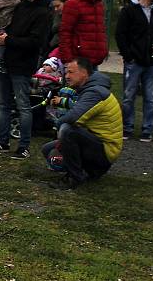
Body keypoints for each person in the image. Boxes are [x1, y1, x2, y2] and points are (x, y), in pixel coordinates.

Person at [0, 0, 51, 159]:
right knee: (3, 104)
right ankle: (2, 142)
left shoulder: (43, 12)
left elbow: (36, 42)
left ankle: (24, 146)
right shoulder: (18, 5)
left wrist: (9, 40)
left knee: (23, 105)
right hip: (4, 60)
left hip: (22, 64)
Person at [49, 58, 123, 190]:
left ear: (84, 73)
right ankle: (88, 171)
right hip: (95, 141)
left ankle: (74, 177)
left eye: (71, 72)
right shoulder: (90, 88)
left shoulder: (95, 93)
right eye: (66, 73)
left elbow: (72, 118)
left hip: (105, 151)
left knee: (67, 130)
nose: (67, 76)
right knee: (47, 151)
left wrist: (59, 131)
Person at [115, 0, 153, 143]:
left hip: (151, 61)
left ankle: (147, 129)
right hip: (134, 61)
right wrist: (128, 56)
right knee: (129, 95)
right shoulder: (129, 10)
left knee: (150, 96)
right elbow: (120, 34)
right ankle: (127, 127)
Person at [58, 0, 109, 67]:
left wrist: (103, 51)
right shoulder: (73, 4)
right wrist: (68, 59)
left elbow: (99, 30)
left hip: (94, 60)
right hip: (78, 60)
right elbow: (65, 32)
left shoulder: (99, 5)